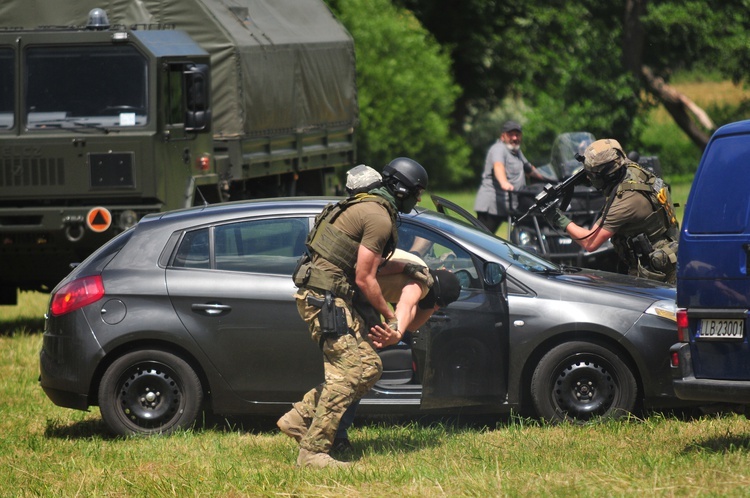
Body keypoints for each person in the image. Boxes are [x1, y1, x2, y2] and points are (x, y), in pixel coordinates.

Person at [280, 157, 429, 468]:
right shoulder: (378, 217)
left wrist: (409, 266)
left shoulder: (369, 208)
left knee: (369, 367)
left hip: (328, 297)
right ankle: (313, 453)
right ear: (400, 189)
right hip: (325, 300)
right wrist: (390, 316)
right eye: (416, 192)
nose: (417, 199)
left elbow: (366, 264)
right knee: (349, 373)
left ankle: (299, 417)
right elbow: (365, 277)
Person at [543, 138, 679, 283]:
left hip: (656, 272)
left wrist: (559, 218)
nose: (589, 177)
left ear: (606, 175)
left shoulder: (626, 201)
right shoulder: (631, 169)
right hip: (669, 251)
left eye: (592, 174)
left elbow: (589, 242)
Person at [474, 120, 549, 233]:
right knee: (481, 239)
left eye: (517, 135)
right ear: (503, 136)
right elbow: (498, 166)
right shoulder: (498, 148)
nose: (514, 138)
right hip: (493, 205)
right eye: (511, 134)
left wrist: (550, 178)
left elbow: (529, 169)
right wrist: (504, 183)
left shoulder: (516, 151)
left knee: (525, 229)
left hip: (511, 204)